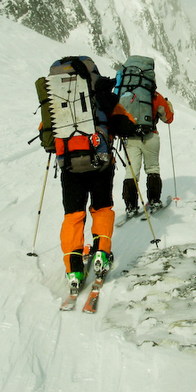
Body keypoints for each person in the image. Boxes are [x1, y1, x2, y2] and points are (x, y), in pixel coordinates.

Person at [54, 61, 136, 290]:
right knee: (101, 209)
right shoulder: (101, 97)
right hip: (100, 165)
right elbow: (126, 124)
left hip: (70, 167)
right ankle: (101, 252)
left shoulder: (58, 101)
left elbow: (46, 136)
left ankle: (73, 269)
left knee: (73, 215)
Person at [122, 90, 174, 216]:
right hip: (150, 136)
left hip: (130, 137)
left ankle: (131, 206)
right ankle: (154, 201)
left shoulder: (124, 93)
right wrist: (168, 104)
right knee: (152, 168)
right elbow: (168, 118)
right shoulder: (154, 95)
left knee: (131, 172)